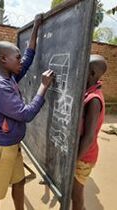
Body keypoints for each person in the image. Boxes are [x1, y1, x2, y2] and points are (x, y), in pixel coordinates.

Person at [0, 14, 54, 210]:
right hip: (0, 149)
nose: (21, 61)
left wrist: (35, 28)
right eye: (17, 58)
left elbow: (29, 57)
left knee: (20, 182)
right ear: (4, 59)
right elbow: (25, 114)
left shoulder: (10, 76)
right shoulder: (2, 87)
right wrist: (43, 87)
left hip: (12, 146)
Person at [72, 54, 107, 210]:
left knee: (76, 194)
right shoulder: (87, 91)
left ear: (92, 74)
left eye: (83, 69)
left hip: (84, 156)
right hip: (80, 153)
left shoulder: (93, 99)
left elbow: (89, 137)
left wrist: (73, 162)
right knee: (74, 192)